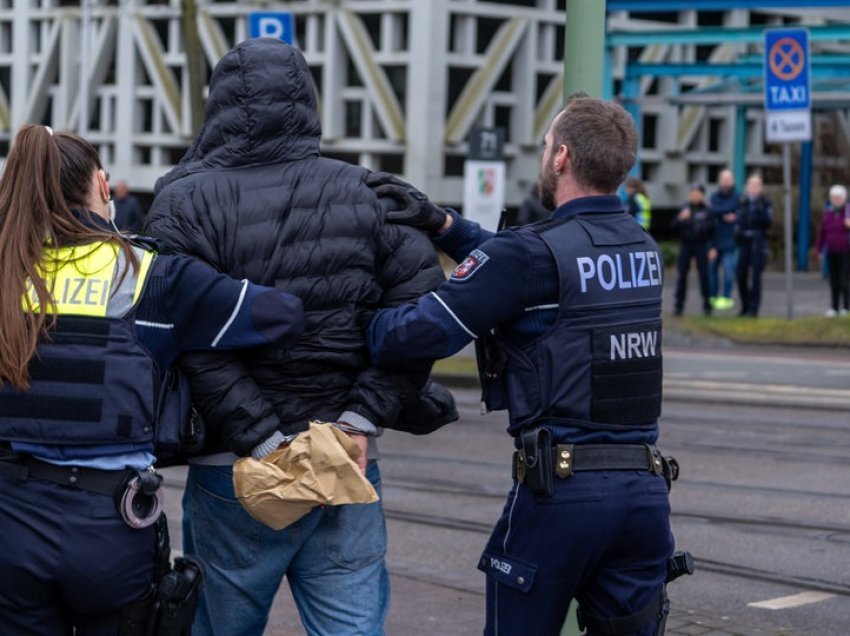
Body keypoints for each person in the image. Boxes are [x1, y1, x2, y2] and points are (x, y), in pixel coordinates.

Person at [144, 38, 448, 636]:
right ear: (309, 102)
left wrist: (263, 440)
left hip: (233, 466)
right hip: (347, 459)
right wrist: (360, 420)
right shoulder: (371, 193)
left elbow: (184, 334)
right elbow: (423, 316)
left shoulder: (182, 201)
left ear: (217, 106)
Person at [367, 97, 675, 635]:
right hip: (644, 495)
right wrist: (446, 226)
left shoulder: (531, 256)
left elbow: (412, 336)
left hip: (562, 495)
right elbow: (537, 268)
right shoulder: (642, 247)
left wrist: (351, 312)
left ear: (560, 157)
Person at [0, 125, 305, 633]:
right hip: (110, 529)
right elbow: (280, 315)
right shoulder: (152, 274)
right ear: (102, 185)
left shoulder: (9, 271)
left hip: (10, 523)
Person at [671, 182, 715, 316]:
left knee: (704, 276)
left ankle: (707, 305)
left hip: (702, 245)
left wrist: (713, 247)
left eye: (698, 193)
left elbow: (714, 230)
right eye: (693, 193)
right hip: (686, 244)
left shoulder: (708, 209)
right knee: (682, 275)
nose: (695, 195)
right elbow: (673, 227)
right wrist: (680, 219)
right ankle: (679, 305)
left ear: (702, 195)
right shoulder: (684, 208)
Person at [735, 174, 773, 317]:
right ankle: (745, 305)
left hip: (758, 242)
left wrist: (758, 208)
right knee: (740, 274)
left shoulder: (765, 202)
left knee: (756, 276)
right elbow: (738, 220)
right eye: (751, 185)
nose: (753, 188)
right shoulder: (742, 201)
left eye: (756, 185)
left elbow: (768, 221)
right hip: (744, 241)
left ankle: (754, 309)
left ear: (761, 187)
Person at [815, 184, 850, 316]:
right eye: (834, 197)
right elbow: (822, 233)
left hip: (845, 251)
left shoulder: (847, 211)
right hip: (831, 251)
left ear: (844, 198)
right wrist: (819, 249)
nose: (836, 200)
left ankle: (846, 306)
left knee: (844, 279)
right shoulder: (828, 214)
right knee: (833, 280)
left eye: (839, 197)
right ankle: (834, 307)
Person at [708, 169, 739, 311]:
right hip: (714, 241)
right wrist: (724, 212)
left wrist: (720, 211)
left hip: (730, 242)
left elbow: (732, 208)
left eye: (728, 178)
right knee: (712, 272)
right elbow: (712, 211)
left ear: (732, 180)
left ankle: (726, 297)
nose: (726, 181)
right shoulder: (714, 196)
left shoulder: (737, 197)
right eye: (724, 178)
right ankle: (713, 297)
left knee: (728, 272)